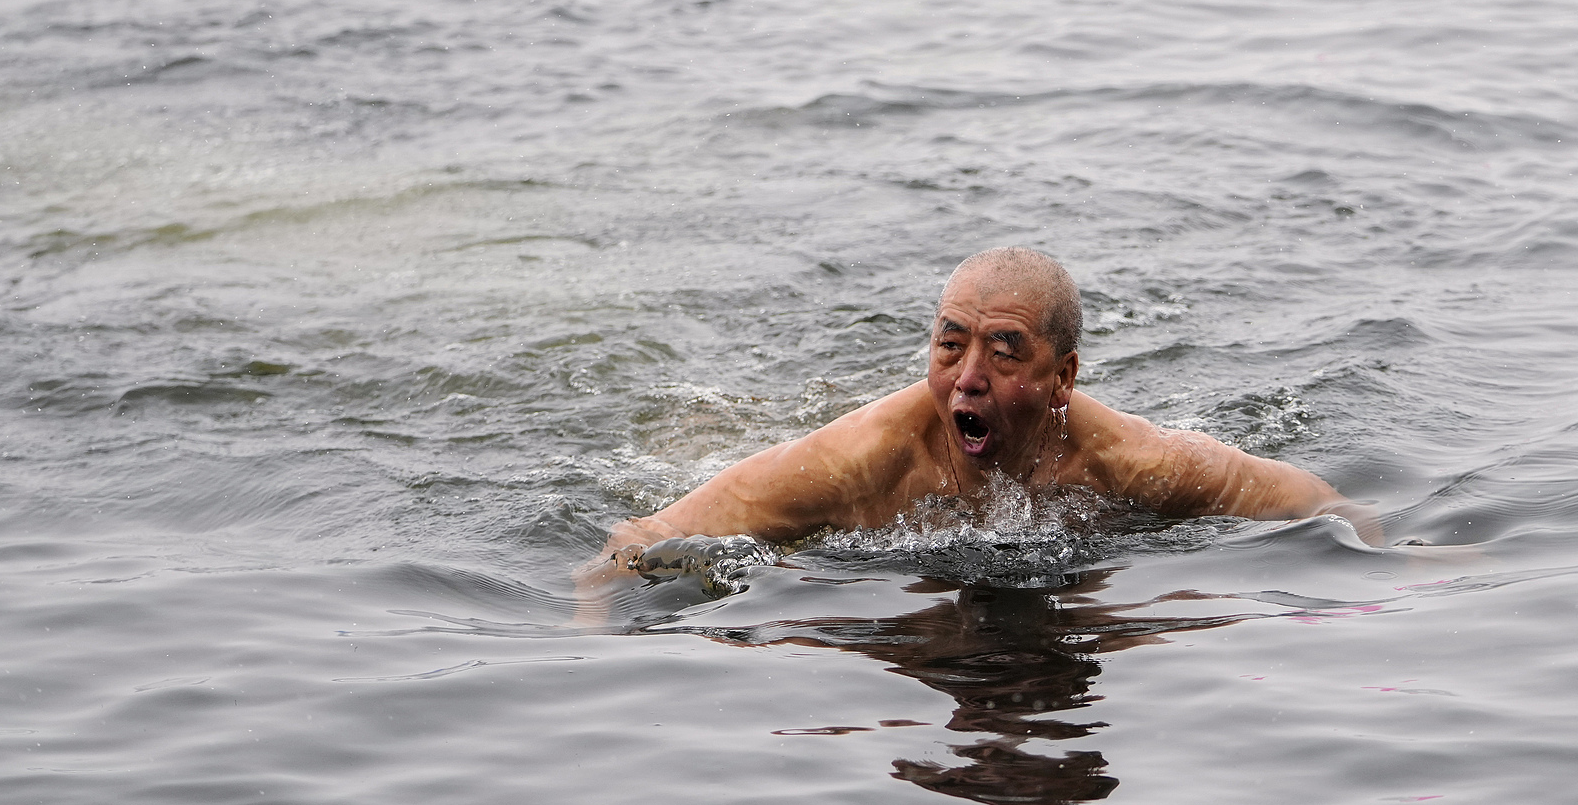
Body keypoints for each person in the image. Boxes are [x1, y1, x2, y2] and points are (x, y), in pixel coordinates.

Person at [580, 246, 1390, 587]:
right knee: (706, 438)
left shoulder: (1138, 463)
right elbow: (633, 541)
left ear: (1062, 376)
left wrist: (1403, 571)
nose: (967, 378)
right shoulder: (861, 461)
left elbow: (1330, 509)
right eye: (950, 345)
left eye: (1004, 350)